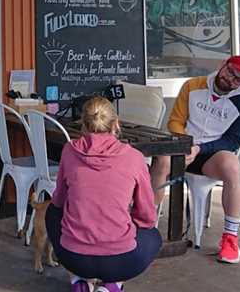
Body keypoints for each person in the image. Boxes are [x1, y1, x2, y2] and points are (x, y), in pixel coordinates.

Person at [46, 97, 160, 292]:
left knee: (52, 212)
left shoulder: (69, 151)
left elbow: (59, 201)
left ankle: (79, 280)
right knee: (153, 236)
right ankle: (112, 286)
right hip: (121, 260)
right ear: (116, 124)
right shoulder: (134, 157)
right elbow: (147, 216)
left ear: (83, 125)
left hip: (74, 257)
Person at [150, 55, 240, 265]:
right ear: (222, 65)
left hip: (212, 155)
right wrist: (185, 144)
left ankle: (230, 238)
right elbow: (175, 121)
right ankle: (146, 226)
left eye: (238, 80)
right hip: (185, 147)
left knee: (232, 166)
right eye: (230, 72)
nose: (231, 80)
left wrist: (201, 148)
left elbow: (232, 141)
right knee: (162, 159)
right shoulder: (192, 86)